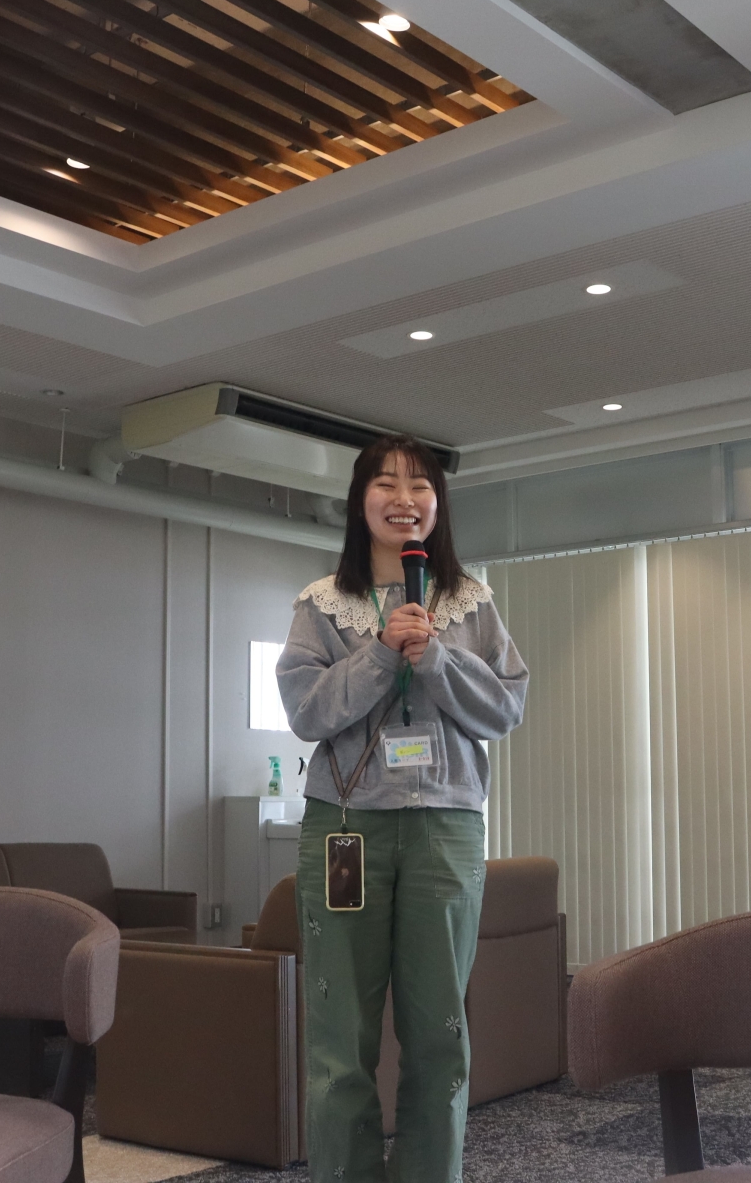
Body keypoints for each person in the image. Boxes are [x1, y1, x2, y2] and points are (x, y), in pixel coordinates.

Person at [277, 434, 528, 1183]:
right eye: (385, 483)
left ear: (437, 506)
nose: (404, 499)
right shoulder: (324, 603)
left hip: (446, 827)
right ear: (360, 502)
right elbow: (307, 712)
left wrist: (438, 659)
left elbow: (506, 708)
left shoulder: (470, 602)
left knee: (439, 1032)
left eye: (420, 485)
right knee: (339, 1035)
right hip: (346, 827)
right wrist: (382, 652)